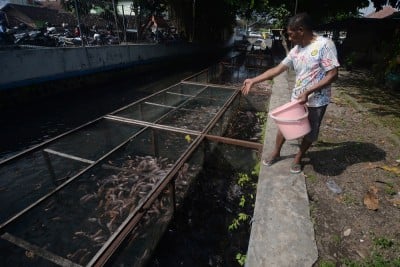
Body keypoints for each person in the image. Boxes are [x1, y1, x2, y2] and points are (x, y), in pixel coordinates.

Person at [241, 12, 340, 174]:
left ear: (301, 30)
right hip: (297, 97)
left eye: (290, 33)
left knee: (311, 131)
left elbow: (333, 74)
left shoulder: (325, 45)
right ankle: (276, 152)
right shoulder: (296, 50)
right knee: (284, 126)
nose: (289, 37)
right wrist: (254, 80)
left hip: (317, 100)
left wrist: (309, 91)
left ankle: (298, 157)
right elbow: (277, 70)